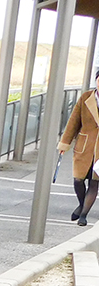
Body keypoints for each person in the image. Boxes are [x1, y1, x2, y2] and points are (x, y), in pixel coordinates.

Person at [58, 68, 99, 227]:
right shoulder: (85, 98)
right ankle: (82, 203)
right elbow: (73, 122)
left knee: (95, 182)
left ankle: (83, 214)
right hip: (84, 145)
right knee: (78, 180)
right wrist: (65, 143)